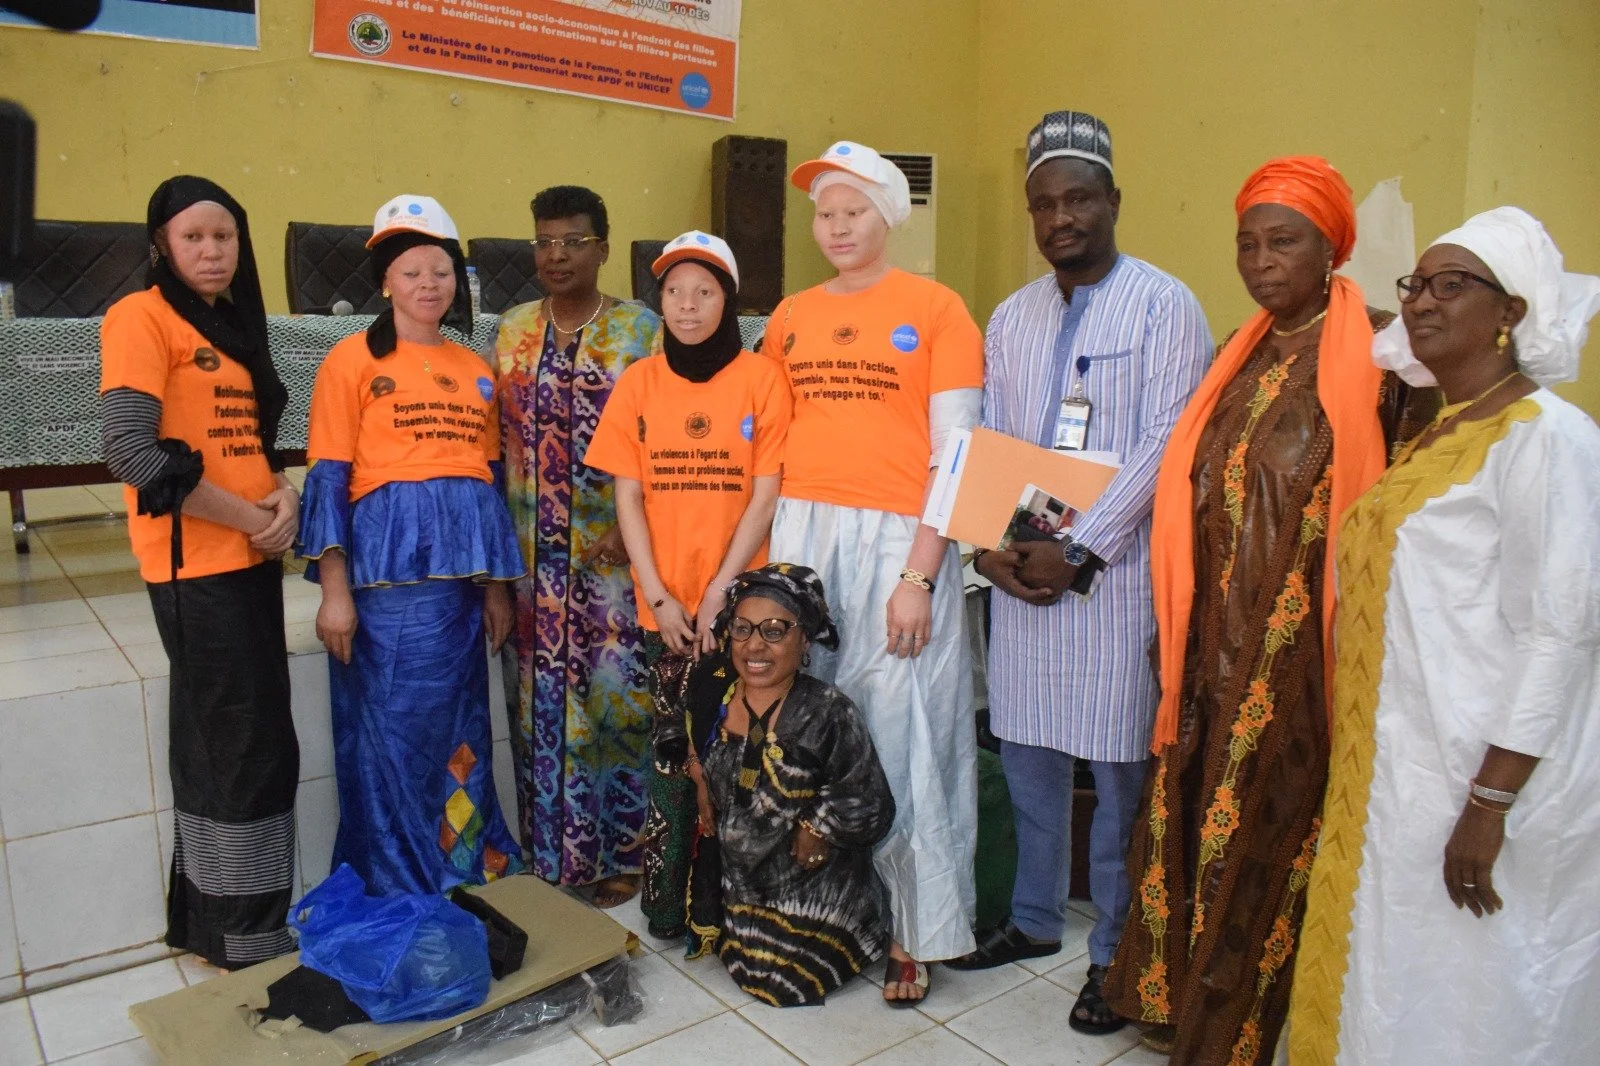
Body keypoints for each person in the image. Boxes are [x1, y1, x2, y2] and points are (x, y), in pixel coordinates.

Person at [1101, 156, 1433, 1064]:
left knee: (1261, 831)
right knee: (1185, 813)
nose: (1260, 261)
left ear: (1331, 248)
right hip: (1203, 637)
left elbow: (1406, 515)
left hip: (1297, 654)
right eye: (1247, 244)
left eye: (1283, 241)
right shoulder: (1236, 353)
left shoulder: (1385, 358)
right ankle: (1171, 998)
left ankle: (1232, 1029)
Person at [1288, 208, 1600, 1066]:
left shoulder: (1549, 440)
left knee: (1477, 995)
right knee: (1404, 978)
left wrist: (1490, 803)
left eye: (1452, 285)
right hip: (1407, 770)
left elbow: (1560, 636)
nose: (1422, 302)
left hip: (1487, 779)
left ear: (1511, 312)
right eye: (1417, 284)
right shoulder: (1444, 432)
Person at [948, 112, 1212, 1040]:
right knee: (1026, 757)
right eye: (1044, 204)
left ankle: (1113, 952)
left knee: (1119, 775)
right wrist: (986, 549)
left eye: (1078, 199)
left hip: (1117, 580)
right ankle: (1029, 920)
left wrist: (1083, 547)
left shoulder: (1166, 304)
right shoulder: (1012, 315)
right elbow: (992, 442)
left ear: (1113, 202)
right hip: (1023, 576)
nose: (1060, 218)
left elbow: (1167, 441)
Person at [767, 141, 983, 1005]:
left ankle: (914, 928)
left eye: (854, 210)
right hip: (805, 535)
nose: (838, 226)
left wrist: (919, 576)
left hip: (900, 541)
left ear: (889, 214)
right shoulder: (788, 316)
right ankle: (826, 914)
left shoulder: (937, 310)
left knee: (905, 734)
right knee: (807, 729)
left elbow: (957, 456)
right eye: (825, 213)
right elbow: (770, 447)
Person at [99, 175, 299, 970]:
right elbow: (134, 453)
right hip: (196, 567)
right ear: (162, 244)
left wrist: (282, 496)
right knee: (239, 748)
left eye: (225, 237)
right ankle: (246, 936)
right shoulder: (139, 316)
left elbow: (242, 440)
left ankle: (220, 923)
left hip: (247, 558)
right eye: (194, 237)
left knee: (244, 740)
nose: (212, 251)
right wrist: (252, 518)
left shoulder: (228, 324)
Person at [299, 194, 525, 896]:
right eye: (412, 272)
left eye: (441, 271)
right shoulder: (349, 361)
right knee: (393, 736)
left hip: (460, 594)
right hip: (387, 589)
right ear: (385, 284)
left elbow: (487, 483)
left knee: (460, 730)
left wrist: (496, 590)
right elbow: (329, 480)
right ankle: (398, 879)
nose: (429, 284)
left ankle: (462, 863)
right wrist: (335, 593)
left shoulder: (476, 369)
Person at [583, 231, 792, 937]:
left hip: (746, 609)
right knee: (673, 756)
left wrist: (721, 592)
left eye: (704, 291)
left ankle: (742, 911)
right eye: (674, 291)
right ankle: (670, 908)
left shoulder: (762, 379)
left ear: (727, 300)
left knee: (749, 757)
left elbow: (765, 495)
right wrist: (660, 596)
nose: (688, 305)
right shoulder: (640, 382)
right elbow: (628, 497)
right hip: (666, 611)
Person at [495, 185, 663, 904]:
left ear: (603, 248)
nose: (556, 255)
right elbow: (496, 444)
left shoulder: (641, 331)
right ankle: (550, 853)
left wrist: (637, 529)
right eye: (544, 241)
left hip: (615, 560)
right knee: (539, 708)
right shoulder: (511, 331)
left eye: (572, 241)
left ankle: (625, 854)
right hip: (532, 563)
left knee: (619, 704)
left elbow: (665, 440)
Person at [662, 563, 896, 1006]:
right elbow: (678, 730)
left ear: (805, 639)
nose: (754, 645)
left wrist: (817, 826)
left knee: (788, 983)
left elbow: (870, 803)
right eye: (742, 629)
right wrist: (697, 771)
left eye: (774, 631)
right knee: (752, 969)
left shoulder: (827, 711)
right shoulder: (715, 693)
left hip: (815, 894)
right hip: (743, 891)